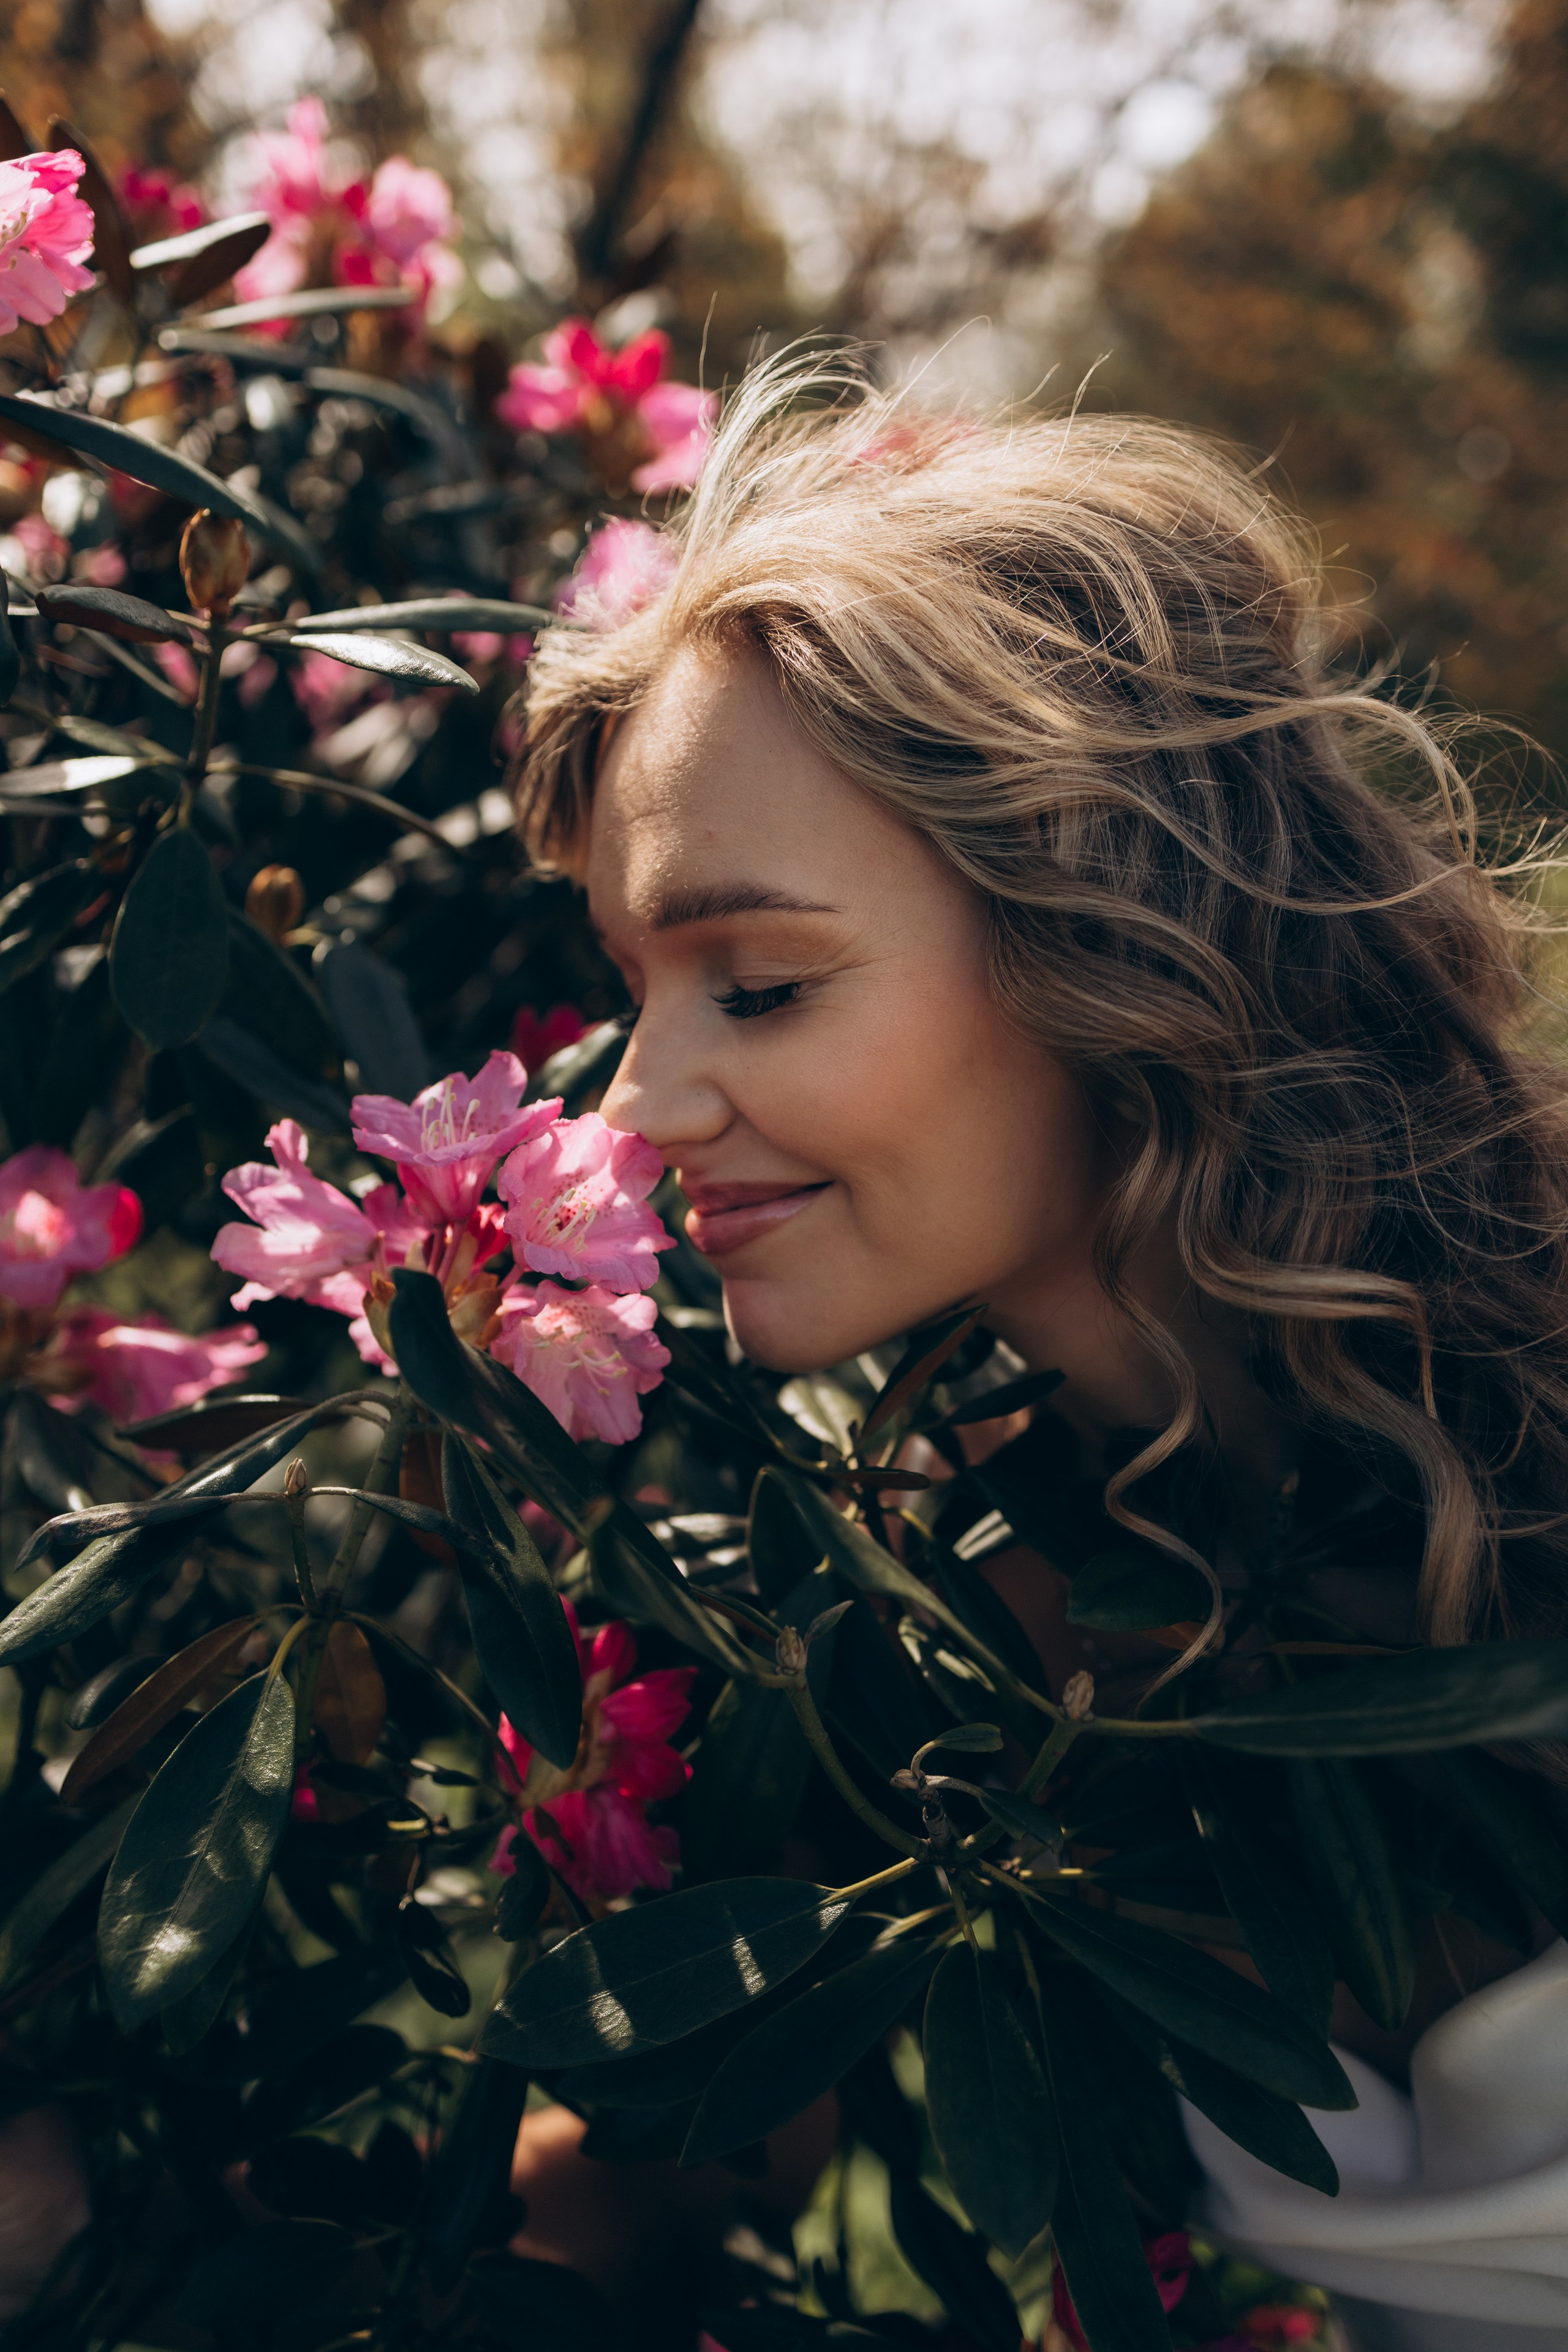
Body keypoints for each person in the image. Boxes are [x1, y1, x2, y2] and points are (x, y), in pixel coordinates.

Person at [505, 353, 1568, 2351]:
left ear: (1103, 933)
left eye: (757, 983)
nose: (631, 1105)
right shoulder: (951, 1624)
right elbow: (648, 2168)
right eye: (634, 989)